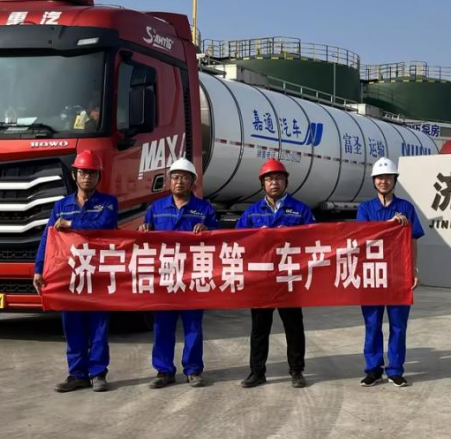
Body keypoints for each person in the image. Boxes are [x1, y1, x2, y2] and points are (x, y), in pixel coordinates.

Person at [32, 150, 119, 393]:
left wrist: (70, 224)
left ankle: (98, 373)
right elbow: (48, 239)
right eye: (83, 172)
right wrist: (39, 269)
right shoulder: (61, 206)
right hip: (69, 275)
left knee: (99, 327)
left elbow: (103, 226)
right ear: (74, 175)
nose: (87, 177)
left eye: (92, 173)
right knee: (72, 326)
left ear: (99, 176)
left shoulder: (108, 203)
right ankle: (77, 374)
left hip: (98, 274)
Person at [138, 158, 219, 389]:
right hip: (165, 276)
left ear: (193, 182)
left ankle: (193, 370)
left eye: (184, 177)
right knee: (162, 326)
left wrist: (208, 230)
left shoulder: (203, 209)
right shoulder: (156, 208)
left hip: (192, 277)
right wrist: (143, 229)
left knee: (193, 326)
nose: (179, 181)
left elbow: (219, 239)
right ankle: (164, 371)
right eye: (175, 177)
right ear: (169, 181)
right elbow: (145, 238)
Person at [235, 158, 315, 389]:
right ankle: (257, 372)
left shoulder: (300, 210)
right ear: (263, 183)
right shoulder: (251, 213)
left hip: (289, 278)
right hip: (262, 280)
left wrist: (291, 235)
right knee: (259, 329)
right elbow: (238, 241)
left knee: (294, 327)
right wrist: (256, 236)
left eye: (279, 178)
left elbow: (315, 239)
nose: (274, 183)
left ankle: (296, 371)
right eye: (269, 179)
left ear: (286, 182)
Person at [356, 157, 423, 388]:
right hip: (372, 274)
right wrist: (390, 225)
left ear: (395, 180)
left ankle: (395, 370)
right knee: (372, 325)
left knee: (398, 325)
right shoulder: (365, 208)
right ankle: (373, 369)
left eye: (388, 177)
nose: (383, 181)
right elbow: (363, 237)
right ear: (374, 181)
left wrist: (413, 269)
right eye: (379, 178)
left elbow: (413, 240)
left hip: (398, 275)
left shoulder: (406, 208)